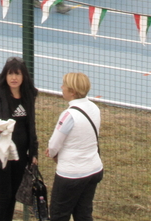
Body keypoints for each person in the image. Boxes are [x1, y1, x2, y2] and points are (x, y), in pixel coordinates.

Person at [0, 57, 39, 221]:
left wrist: (33, 153)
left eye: (17, 74)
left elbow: (31, 126)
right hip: (1, 154)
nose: (14, 78)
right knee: (4, 196)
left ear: (24, 76)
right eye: (10, 74)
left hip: (20, 156)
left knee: (12, 196)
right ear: (5, 75)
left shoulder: (28, 96)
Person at [46, 72, 103, 221]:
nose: (61, 87)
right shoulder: (94, 108)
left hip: (71, 174)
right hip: (94, 169)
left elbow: (53, 145)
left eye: (64, 85)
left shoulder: (69, 115)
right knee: (83, 214)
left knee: (59, 215)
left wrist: (52, 153)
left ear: (72, 91)